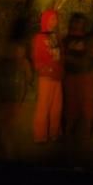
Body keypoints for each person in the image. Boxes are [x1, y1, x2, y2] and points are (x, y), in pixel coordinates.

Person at [62, 13, 93, 140]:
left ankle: (87, 127)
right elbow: (63, 56)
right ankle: (70, 126)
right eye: (77, 22)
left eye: (81, 22)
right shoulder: (66, 39)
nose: (78, 25)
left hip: (86, 74)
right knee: (71, 101)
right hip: (72, 74)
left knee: (87, 101)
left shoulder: (88, 39)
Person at [0, 42, 33, 159]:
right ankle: (8, 150)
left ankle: (7, 149)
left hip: (11, 98)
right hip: (9, 97)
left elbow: (29, 78)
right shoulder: (17, 63)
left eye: (21, 50)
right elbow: (29, 78)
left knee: (7, 123)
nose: (20, 52)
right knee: (7, 124)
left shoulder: (19, 63)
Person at [32, 9, 64, 143]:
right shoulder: (39, 37)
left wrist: (61, 69)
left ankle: (54, 132)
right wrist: (45, 68)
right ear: (45, 20)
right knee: (44, 106)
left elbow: (60, 55)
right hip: (46, 76)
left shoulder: (55, 36)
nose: (55, 22)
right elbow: (37, 58)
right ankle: (40, 135)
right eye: (52, 19)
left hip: (57, 76)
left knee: (57, 106)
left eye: (56, 19)